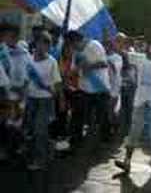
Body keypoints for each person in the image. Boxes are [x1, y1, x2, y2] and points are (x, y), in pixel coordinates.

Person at [115, 37, 151, 173]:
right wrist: (116, 41)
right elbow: (123, 53)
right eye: (150, 46)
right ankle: (127, 161)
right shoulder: (138, 58)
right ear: (146, 46)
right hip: (139, 101)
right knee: (134, 131)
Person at [24, 31, 63, 170]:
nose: (44, 47)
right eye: (41, 43)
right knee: (31, 130)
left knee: (39, 130)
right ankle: (49, 147)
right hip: (30, 99)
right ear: (36, 43)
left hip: (45, 100)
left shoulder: (52, 61)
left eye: (47, 45)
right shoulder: (28, 59)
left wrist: (61, 100)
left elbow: (57, 82)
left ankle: (40, 160)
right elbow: (25, 80)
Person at [67, 31, 111, 144]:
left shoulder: (94, 45)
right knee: (78, 114)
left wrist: (89, 66)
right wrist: (74, 72)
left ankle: (104, 140)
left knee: (102, 116)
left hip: (100, 88)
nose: (73, 47)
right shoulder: (77, 52)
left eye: (73, 44)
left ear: (77, 41)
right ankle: (76, 140)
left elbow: (104, 63)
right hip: (85, 89)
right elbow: (74, 68)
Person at [106, 38, 123, 136]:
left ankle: (115, 128)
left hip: (114, 88)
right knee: (108, 110)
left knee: (111, 109)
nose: (105, 48)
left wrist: (107, 62)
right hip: (105, 87)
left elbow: (116, 70)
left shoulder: (117, 57)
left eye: (107, 46)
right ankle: (109, 129)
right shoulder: (103, 56)